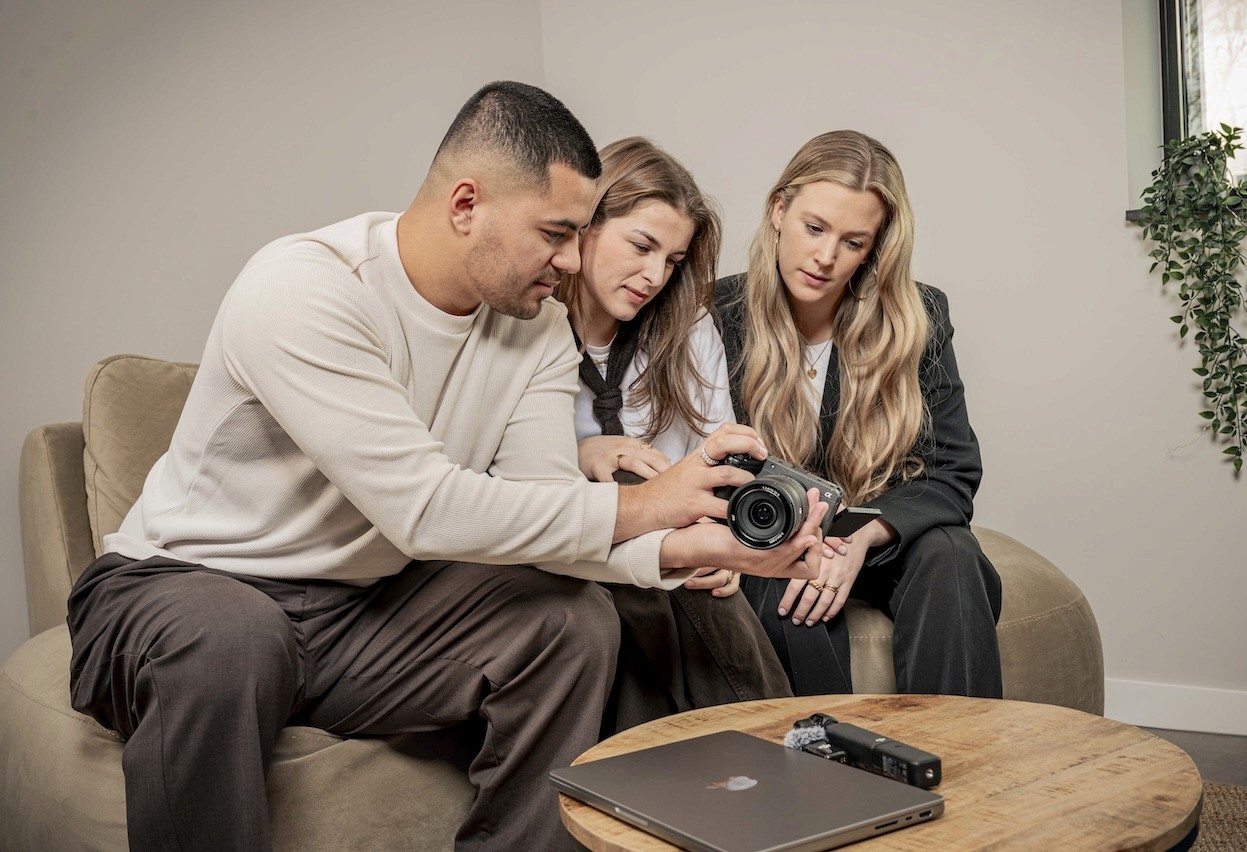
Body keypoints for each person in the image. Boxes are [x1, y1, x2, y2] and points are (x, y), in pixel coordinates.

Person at [64, 81, 828, 852]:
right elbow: (423, 510)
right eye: (557, 233)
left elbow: (543, 514)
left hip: (355, 612)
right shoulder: (305, 288)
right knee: (235, 636)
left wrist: (691, 548)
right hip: (179, 587)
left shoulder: (537, 331)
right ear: (467, 205)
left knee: (570, 623)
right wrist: (654, 504)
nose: (570, 260)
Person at [715, 130, 1003, 699]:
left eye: (853, 241)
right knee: (780, 587)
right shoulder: (715, 313)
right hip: (771, 536)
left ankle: (960, 768)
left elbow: (953, 470)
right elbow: (703, 458)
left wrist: (862, 536)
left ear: (875, 248)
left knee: (952, 553)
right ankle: (826, 773)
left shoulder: (920, 317)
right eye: (814, 228)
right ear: (779, 210)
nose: (825, 257)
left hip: (879, 531)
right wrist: (802, 545)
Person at [557, 137, 792, 732]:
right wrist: (582, 453)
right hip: (573, 548)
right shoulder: (527, 332)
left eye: (674, 260)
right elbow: (500, 477)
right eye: (641, 246)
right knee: (633, 491)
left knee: (689, 572)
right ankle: (780, 739)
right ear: (586, 224)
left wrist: (719, 542)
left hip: (676, 549)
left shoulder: (687, 329)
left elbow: (717, 455)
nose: (654, 276)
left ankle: (750, 746)